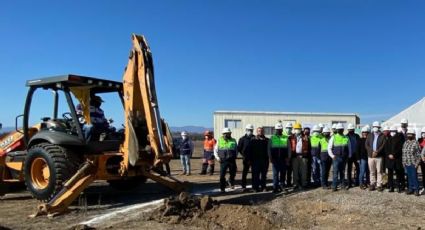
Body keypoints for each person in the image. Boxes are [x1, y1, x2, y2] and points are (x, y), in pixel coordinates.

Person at [328, 123, 351, 191]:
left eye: (341, 129)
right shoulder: (333, 137)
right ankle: (334, 186)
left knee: (342, 172)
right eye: (339, 129)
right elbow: (329, 148)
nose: (340, 130)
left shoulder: (346, 137)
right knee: (335, 172)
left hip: (344, 157)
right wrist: (332, 156)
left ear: (343, 130)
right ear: (337, 130)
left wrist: (349, 155)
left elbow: (349, 147)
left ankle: (342, 185)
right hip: (336, 158)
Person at [214, 128, 238, 193]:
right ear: (223, 134)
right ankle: (222, 187)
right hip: (223, 160)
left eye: (229, 133)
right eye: (226, 133)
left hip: (232, 160)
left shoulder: (233, 140)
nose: (227, 134)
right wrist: (217, 158)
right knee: (222, 175)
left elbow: (236, 149)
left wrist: (235, 156)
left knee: (233, 173)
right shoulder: (219, 140)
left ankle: (230, 181)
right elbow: (215, 150)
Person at [268, 123, 290, 193]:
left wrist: (288, 157)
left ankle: (282, 186)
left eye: (280, 129)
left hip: (284, 159)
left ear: (282, 129)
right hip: (275, 159)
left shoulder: (285, 138)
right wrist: (270, 157)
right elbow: (269, 148)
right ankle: (275, 187)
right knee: (275, 174)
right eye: (277, 129)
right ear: (275, 130)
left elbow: (289, 148)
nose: (279, 130)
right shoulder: (272, 138)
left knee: (283, 173)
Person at [365, 121, 386, 191]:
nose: (375, 128)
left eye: (376, 127)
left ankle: (379, 185)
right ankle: (372, 184)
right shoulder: (369, 135)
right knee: (372, 171)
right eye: (374, 127)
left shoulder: (382, 136)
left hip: (379, 156)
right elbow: (366, 145)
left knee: (379, 171)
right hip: (370, 156)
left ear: (379, 127)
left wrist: (377, 151)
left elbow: (383, 145)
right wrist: (372, 151)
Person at [290, 123, 311, 190]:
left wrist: (307, 156)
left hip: (303, 156)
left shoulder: (305, 137)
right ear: (294, 129)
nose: (297, 130)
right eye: (296, 129)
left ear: (301, 129)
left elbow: (309, 147)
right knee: (295, 171)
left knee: (304, 171)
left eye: (298, 129)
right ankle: (295, 184)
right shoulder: (291, 137)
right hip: (294, 156)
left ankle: (304, 184)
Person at [385, 126, 405, 193]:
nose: (392, 133)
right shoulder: (388, 139)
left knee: (398, 173)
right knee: (390, 174)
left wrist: (394, 155)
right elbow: (386, 148)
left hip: (397, 159)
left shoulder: (400, 138)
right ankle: (391, 187)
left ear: (396, 132)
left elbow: (400, 148)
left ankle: (399, 186)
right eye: (391, 131)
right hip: (389, 159)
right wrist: (389, 154)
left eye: (393, 131)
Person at [402, 129, 421, 196]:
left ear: (414, 135)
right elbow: (403, 153)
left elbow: (419, 154)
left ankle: (416, 190)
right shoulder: (405, 142)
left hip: (413, 163)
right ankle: (410, 189)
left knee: (414, 176)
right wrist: (403, 162)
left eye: (411, 134)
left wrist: (417, 163)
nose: (409, 135)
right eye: (408, 134)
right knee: (409, 177)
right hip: (406, 163)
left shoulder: (416, 143)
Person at [251, 127, 270, 192]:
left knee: (264, 175)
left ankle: (263, 187)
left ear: (263, 132)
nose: (260, 132)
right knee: (255, 175)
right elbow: (249, 150)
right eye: (259, 131)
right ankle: (255, 188)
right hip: (255, 161)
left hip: (265, 160)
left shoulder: (267, 140)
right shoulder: (253, 140)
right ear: (257, 132)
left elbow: (269, 150)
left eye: (261, 131)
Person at [238, 124, 255, 190]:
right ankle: (243, 185)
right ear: (246, 130)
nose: (250, 131)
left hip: (254, 159)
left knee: (254, 172)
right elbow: (239, 148)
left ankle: (254, 185)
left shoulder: (255, 138)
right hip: (246, 159)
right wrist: (243, 155)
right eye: (248, 130)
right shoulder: (242, 139)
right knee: (245, 172)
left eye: (251, 130)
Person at [346, 123, 360, 188]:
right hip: (349, 155)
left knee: (358, 168)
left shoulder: (357, 136)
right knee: (349, 169)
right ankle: (349, 183)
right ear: (348, 130)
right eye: (350, 129)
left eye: (352, 129)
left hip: (356, 155)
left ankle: (357, 182)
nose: (351, 130)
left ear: (354, 129)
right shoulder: (346, 136)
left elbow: (359, 145)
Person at [284, 122, 294, 187]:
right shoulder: (282, 135)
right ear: (285, 128)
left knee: (290, 171)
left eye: (290, 128)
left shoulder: (293, 136)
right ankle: (283, 183)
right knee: (283, 171)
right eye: (287, 128)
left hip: (291, 156)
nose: (289, 129)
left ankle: (289, 183)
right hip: (284, 156)